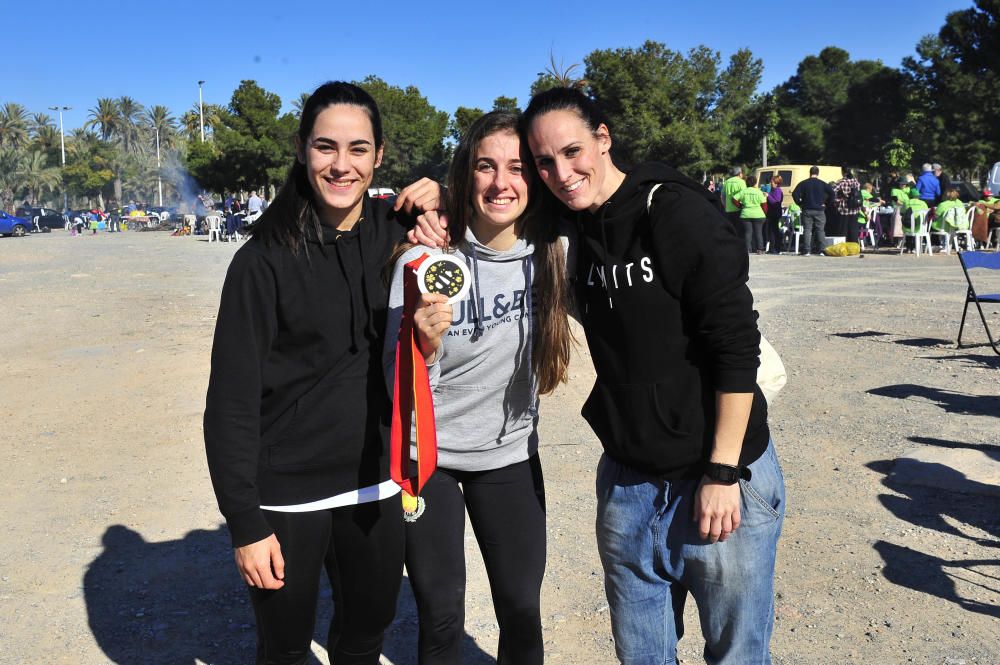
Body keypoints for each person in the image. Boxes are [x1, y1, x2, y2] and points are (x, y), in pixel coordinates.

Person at [520, 87, 783, 665]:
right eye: (544, 161)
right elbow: (487, 200)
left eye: (572, 151)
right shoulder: (568, 225)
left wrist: (721, 471)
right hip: (630, 483)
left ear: (603, 138)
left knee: (736, 655)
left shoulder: (674, 211)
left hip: (718, 476)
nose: (561, 173)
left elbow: (736, 348)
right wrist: (438, 193)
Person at [204, 81, 432, 665]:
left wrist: (442, 193)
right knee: (284, 648)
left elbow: (494, 205)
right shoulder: (260, 261)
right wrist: (245, 524)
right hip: (287, 495)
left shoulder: (394, 232)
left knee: (365, 633)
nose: (341, 164)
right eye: (326, 147)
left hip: (376, 484)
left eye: (358, 149)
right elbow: (229, 402)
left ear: (379, 156)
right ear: (303, 149)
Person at [385, 111, 572, 665]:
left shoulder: (554, 253)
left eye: (517, 168)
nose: (501, 182)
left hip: (510, 454)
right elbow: (395, 381)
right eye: (486, 166)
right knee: (441, 612)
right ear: (467, 174)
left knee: (520, 606)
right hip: (429, 459)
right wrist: (424, 347)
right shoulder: (426, 258)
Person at [792, 166, 835, 255]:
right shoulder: (822, 184)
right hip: (819, 209)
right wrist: (827, 203)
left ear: (810, 173)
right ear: (818, 173)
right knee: (820, 230)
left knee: (807, 230)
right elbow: (832, 193)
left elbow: (794, 194)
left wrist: (800, 204)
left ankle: (807, 250)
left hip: (807, 209)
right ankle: (822, 250)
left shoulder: (803, 183)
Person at [733, 174, 767, 253]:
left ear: (746, 183)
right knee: (758, 232)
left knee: (748, 232)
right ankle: (760, 249)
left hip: (745, 214)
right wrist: (764, 213)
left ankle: (748, 249)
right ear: (755, 183)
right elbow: (764, 205)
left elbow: (734, 199)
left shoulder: (743, 191)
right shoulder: (759, 192)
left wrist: (740, 206)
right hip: (758, 214)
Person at [833, 169, 862, 242]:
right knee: (854, 229)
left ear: (843, 172)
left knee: (843, 230)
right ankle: (854, 246)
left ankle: (843, 247)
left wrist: (837, 200)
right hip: (855, 209)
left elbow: (832, 192)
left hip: (844, 209)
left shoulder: (841, 182)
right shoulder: (856, 182)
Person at [722, 166, 746, 233]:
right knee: (740, 231)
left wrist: (725, 206)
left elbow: (723, 196)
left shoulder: (726, 182)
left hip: (728, 210)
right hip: (738, 209)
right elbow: (744, 195)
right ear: (739, 173)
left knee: (732, 231)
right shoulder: (741, 182)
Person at [765, 175, 784, 254]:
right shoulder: (773, 190)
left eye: (772, 182)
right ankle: (772, 248)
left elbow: (776, 202)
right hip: (771, 213)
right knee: (771, 231)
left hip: (775, 213)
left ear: (776, 183)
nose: (771, 183)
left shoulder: (778, 190)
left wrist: (768, 196)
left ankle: (775, 248)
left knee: (774, 231)